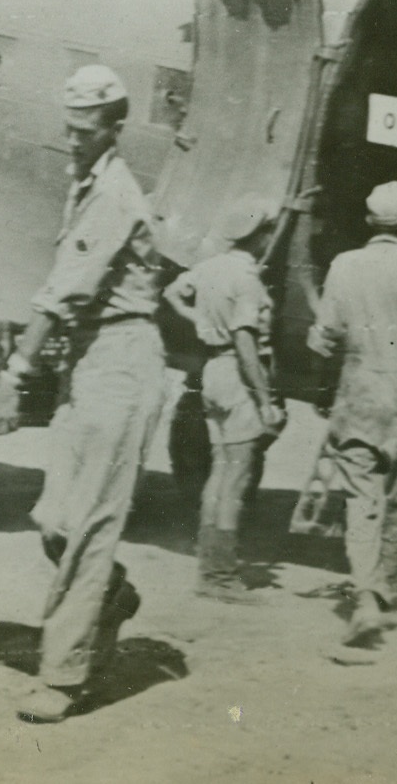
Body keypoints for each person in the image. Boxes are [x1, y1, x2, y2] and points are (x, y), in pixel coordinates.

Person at [0, 65, 166, 723]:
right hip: (87, 360)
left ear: (116, 129)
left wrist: (13, 377)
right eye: (68, 130)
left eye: (86, 132)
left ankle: (64, 677)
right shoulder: (85, 185)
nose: (74, 142)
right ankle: (109, 599)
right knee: (54, 519)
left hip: (120, 358)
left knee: (88, 523)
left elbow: (62, 292)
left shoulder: (114, 194)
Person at [305, 182, 397, 654]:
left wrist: (325, 381)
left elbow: (326, 334)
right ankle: (385, 593)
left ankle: (367, 598)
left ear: (370, 222)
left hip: (360, 392)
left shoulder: (344, 266)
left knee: (361, 501)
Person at [164, 196, 286, 604]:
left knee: (219, 475)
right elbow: (246, 341)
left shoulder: (210, 267)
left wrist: (199, 320)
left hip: (213, 372)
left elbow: (171, 293)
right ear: (259, 236)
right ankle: (220, 576)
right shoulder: (247, 280)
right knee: (235, 478)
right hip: (238, 375)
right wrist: (265, 398)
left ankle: (209, 566)